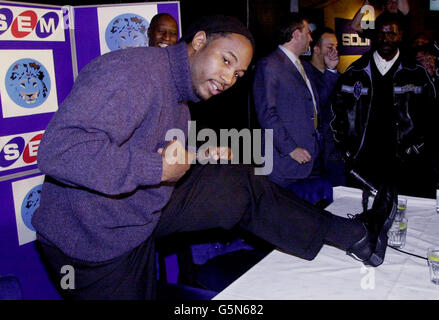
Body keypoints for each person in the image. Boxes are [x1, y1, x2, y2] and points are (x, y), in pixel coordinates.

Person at [33, 15, 397, 300]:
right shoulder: (135, 73)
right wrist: (158, 167)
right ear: (199, 41)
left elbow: (148, 149)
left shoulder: (179, 94)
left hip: (135, 215)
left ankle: (358, 237)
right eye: (226, 61)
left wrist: (198, 155)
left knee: (236, 182)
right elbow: (61, 150)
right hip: (90, 245)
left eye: (237, 73)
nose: (229, 78)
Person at [331, 14, 437, 198]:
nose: (385, 39)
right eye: (380, 34)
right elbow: (336, 114)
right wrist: (347, 150)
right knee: (364, 219)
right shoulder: (355, 72)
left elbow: (432, 118)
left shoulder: (416, 73)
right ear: (374, 36)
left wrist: (416, 149)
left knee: (405, 220)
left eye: (391, 34)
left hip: (407, 166)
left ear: (400, 36)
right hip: (364, 165)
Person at [253, 13, 333, 205]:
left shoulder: (302, 66)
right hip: (283, 163)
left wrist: (330, 71)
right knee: (279, 217)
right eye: (308, 33)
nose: (311, 38)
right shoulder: (269, 65)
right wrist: (291, 149)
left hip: (309, 159)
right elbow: (267, 114)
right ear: (297, 34)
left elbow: (317, 101)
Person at [306, 26, 346, 187]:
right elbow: (318, 105)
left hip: (336, 151)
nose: (334, 51)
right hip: (316, 154)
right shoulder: (304, 74)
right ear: (316, 49)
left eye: (336, 47)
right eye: (330, 47)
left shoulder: (336, 75)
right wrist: (330, 71)